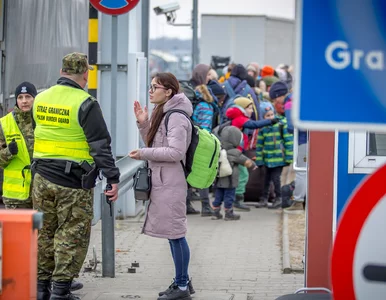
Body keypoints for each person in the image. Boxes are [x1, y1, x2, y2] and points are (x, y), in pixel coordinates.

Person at [33, 52, 120, 300]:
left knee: (44, 233)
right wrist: (112, 177)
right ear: (85, 74)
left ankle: (41, 289)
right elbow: (100, 146)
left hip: (41, 178)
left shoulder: (41, 98)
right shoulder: (86, 103)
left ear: (61, 72)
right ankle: (61, 291)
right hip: (72, 181)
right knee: (71, 234)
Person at [129, 72, 194, 300]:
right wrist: (143, 123)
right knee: (172, 234)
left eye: (155, 87)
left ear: (168, 92)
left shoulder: (176, 117)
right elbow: (157, 143)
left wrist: (143, 154)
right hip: (164, 181)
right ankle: (182, 280)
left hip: (171, 182)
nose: (150, 90)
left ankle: (183, 286)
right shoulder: (164, 112)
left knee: (176, 234)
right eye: (151, 86)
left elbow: (175, 152)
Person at [225, 97, 278, 211]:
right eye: (249, 108)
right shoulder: (240, 118)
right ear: (242, 109)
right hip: (237, 152)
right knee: (243, 175)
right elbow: (254, 124)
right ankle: (237, 201)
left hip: (236, 151)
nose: (252, 110)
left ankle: (232, 201)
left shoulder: (237, 117)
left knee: (236, 175)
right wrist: (270, 121)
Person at [0, 82, 36, 209]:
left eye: (28, 97)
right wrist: (8, 152)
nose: (24, 101)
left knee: (41, 229)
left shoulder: (43, 121)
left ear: (34, 98)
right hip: (16, 198)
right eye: (20, 97)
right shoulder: (5, 124)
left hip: (42, 193)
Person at [212, 125, 257, 220]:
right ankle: (229, 213)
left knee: (218, 196)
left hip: (219, 179)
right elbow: (246, 162)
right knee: (229, 196)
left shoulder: (219, 150)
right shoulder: (234, 152)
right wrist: (253, 165)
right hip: (230, 181)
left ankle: (215, 212)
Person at [255, 102, 293, 209]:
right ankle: (264, 198)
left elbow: (288, 141)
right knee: (266, 179)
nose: (271, 117)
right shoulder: (263, 128)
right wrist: (259, 160)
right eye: (267, 116)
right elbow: (259, 145)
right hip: (267, 158)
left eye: (272, 114)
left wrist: (289, 156)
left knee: (276, 178)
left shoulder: (281, 125)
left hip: (279, 158)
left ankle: (278, 198)